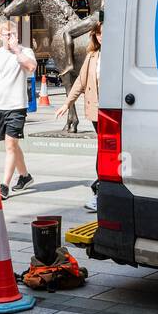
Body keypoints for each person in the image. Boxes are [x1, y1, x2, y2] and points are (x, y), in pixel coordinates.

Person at [0, 19, 37, 200]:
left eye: (14, 34)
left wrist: (17, 50)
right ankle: (25, 176)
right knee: (11, 144)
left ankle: (4, 185)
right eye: (7, 34)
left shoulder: (25, 52)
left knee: (11, 145)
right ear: (0, 36)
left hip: (17, 106)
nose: (11, 37)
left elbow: (31, 67)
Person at [57, 22, 101, 211]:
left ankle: (102, 189)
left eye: (104, 33)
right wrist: (67, 104)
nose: (101, 37)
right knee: (104, 150)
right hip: (96, 112)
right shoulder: (92, 56)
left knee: (109, 151)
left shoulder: (119, 55)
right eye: (98, 34)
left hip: (114, 110)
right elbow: (80, 82)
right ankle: (101, 191)